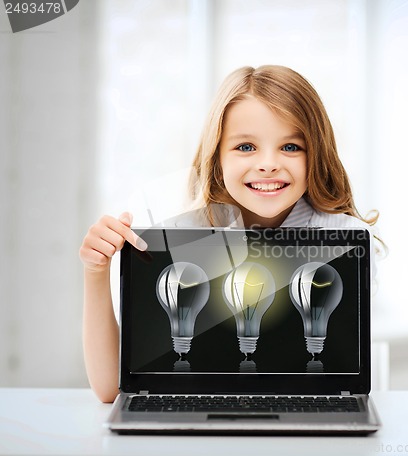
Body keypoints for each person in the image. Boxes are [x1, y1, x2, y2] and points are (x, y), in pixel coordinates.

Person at [79, 65, 379, 402]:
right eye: (246, 147)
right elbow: (109, 388)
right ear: (216, 155)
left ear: (317, 154)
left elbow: (340, 379)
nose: (268, 164)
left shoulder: (343, 240)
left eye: (291, 147)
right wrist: (96, 271)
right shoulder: (172, 224)